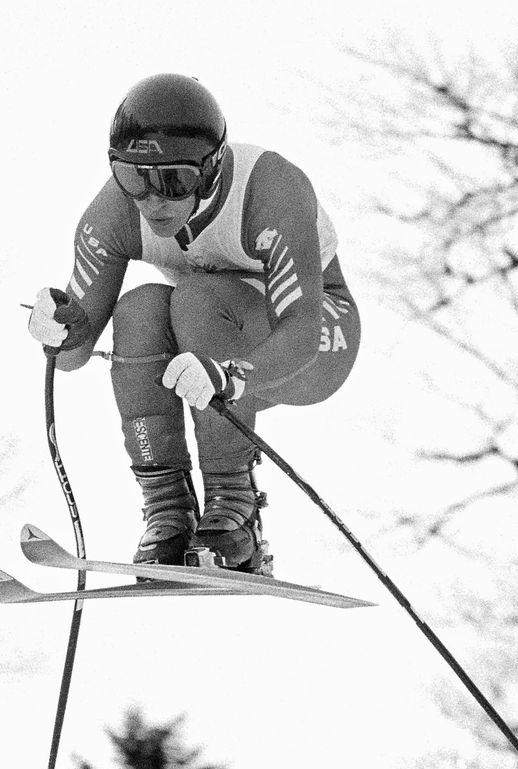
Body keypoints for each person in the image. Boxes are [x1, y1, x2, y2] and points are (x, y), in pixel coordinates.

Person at [28, 73, 360, 574]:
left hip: (311, 340)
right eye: (133, 178)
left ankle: (234, 505)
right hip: (212, 338)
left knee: (198, 298)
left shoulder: (268, 188)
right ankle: (167, 509)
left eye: (175, 180)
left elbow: (298, 328)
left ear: (211, 169)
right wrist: (57, 329)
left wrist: (231, 373)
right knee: (138, 308)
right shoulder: (114, 216)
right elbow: (73, 355)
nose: (153, 201)